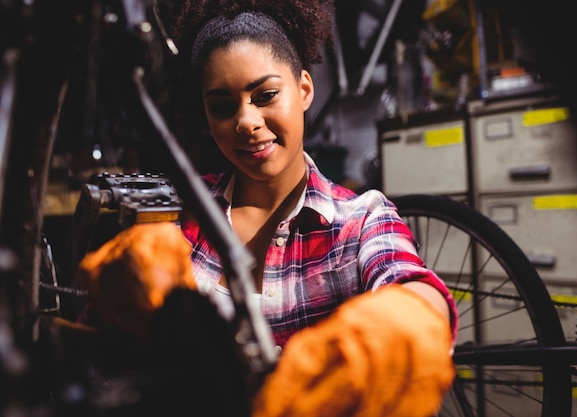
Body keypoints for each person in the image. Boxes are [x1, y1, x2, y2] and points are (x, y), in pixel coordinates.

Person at [77, 1, 459, 416]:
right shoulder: (179, 214)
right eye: (222, 106)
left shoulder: (360, 220)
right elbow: (94, 352)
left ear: (305, 89)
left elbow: (410, 282)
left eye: (266, 95)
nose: (246, 121)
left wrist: (402, 324)